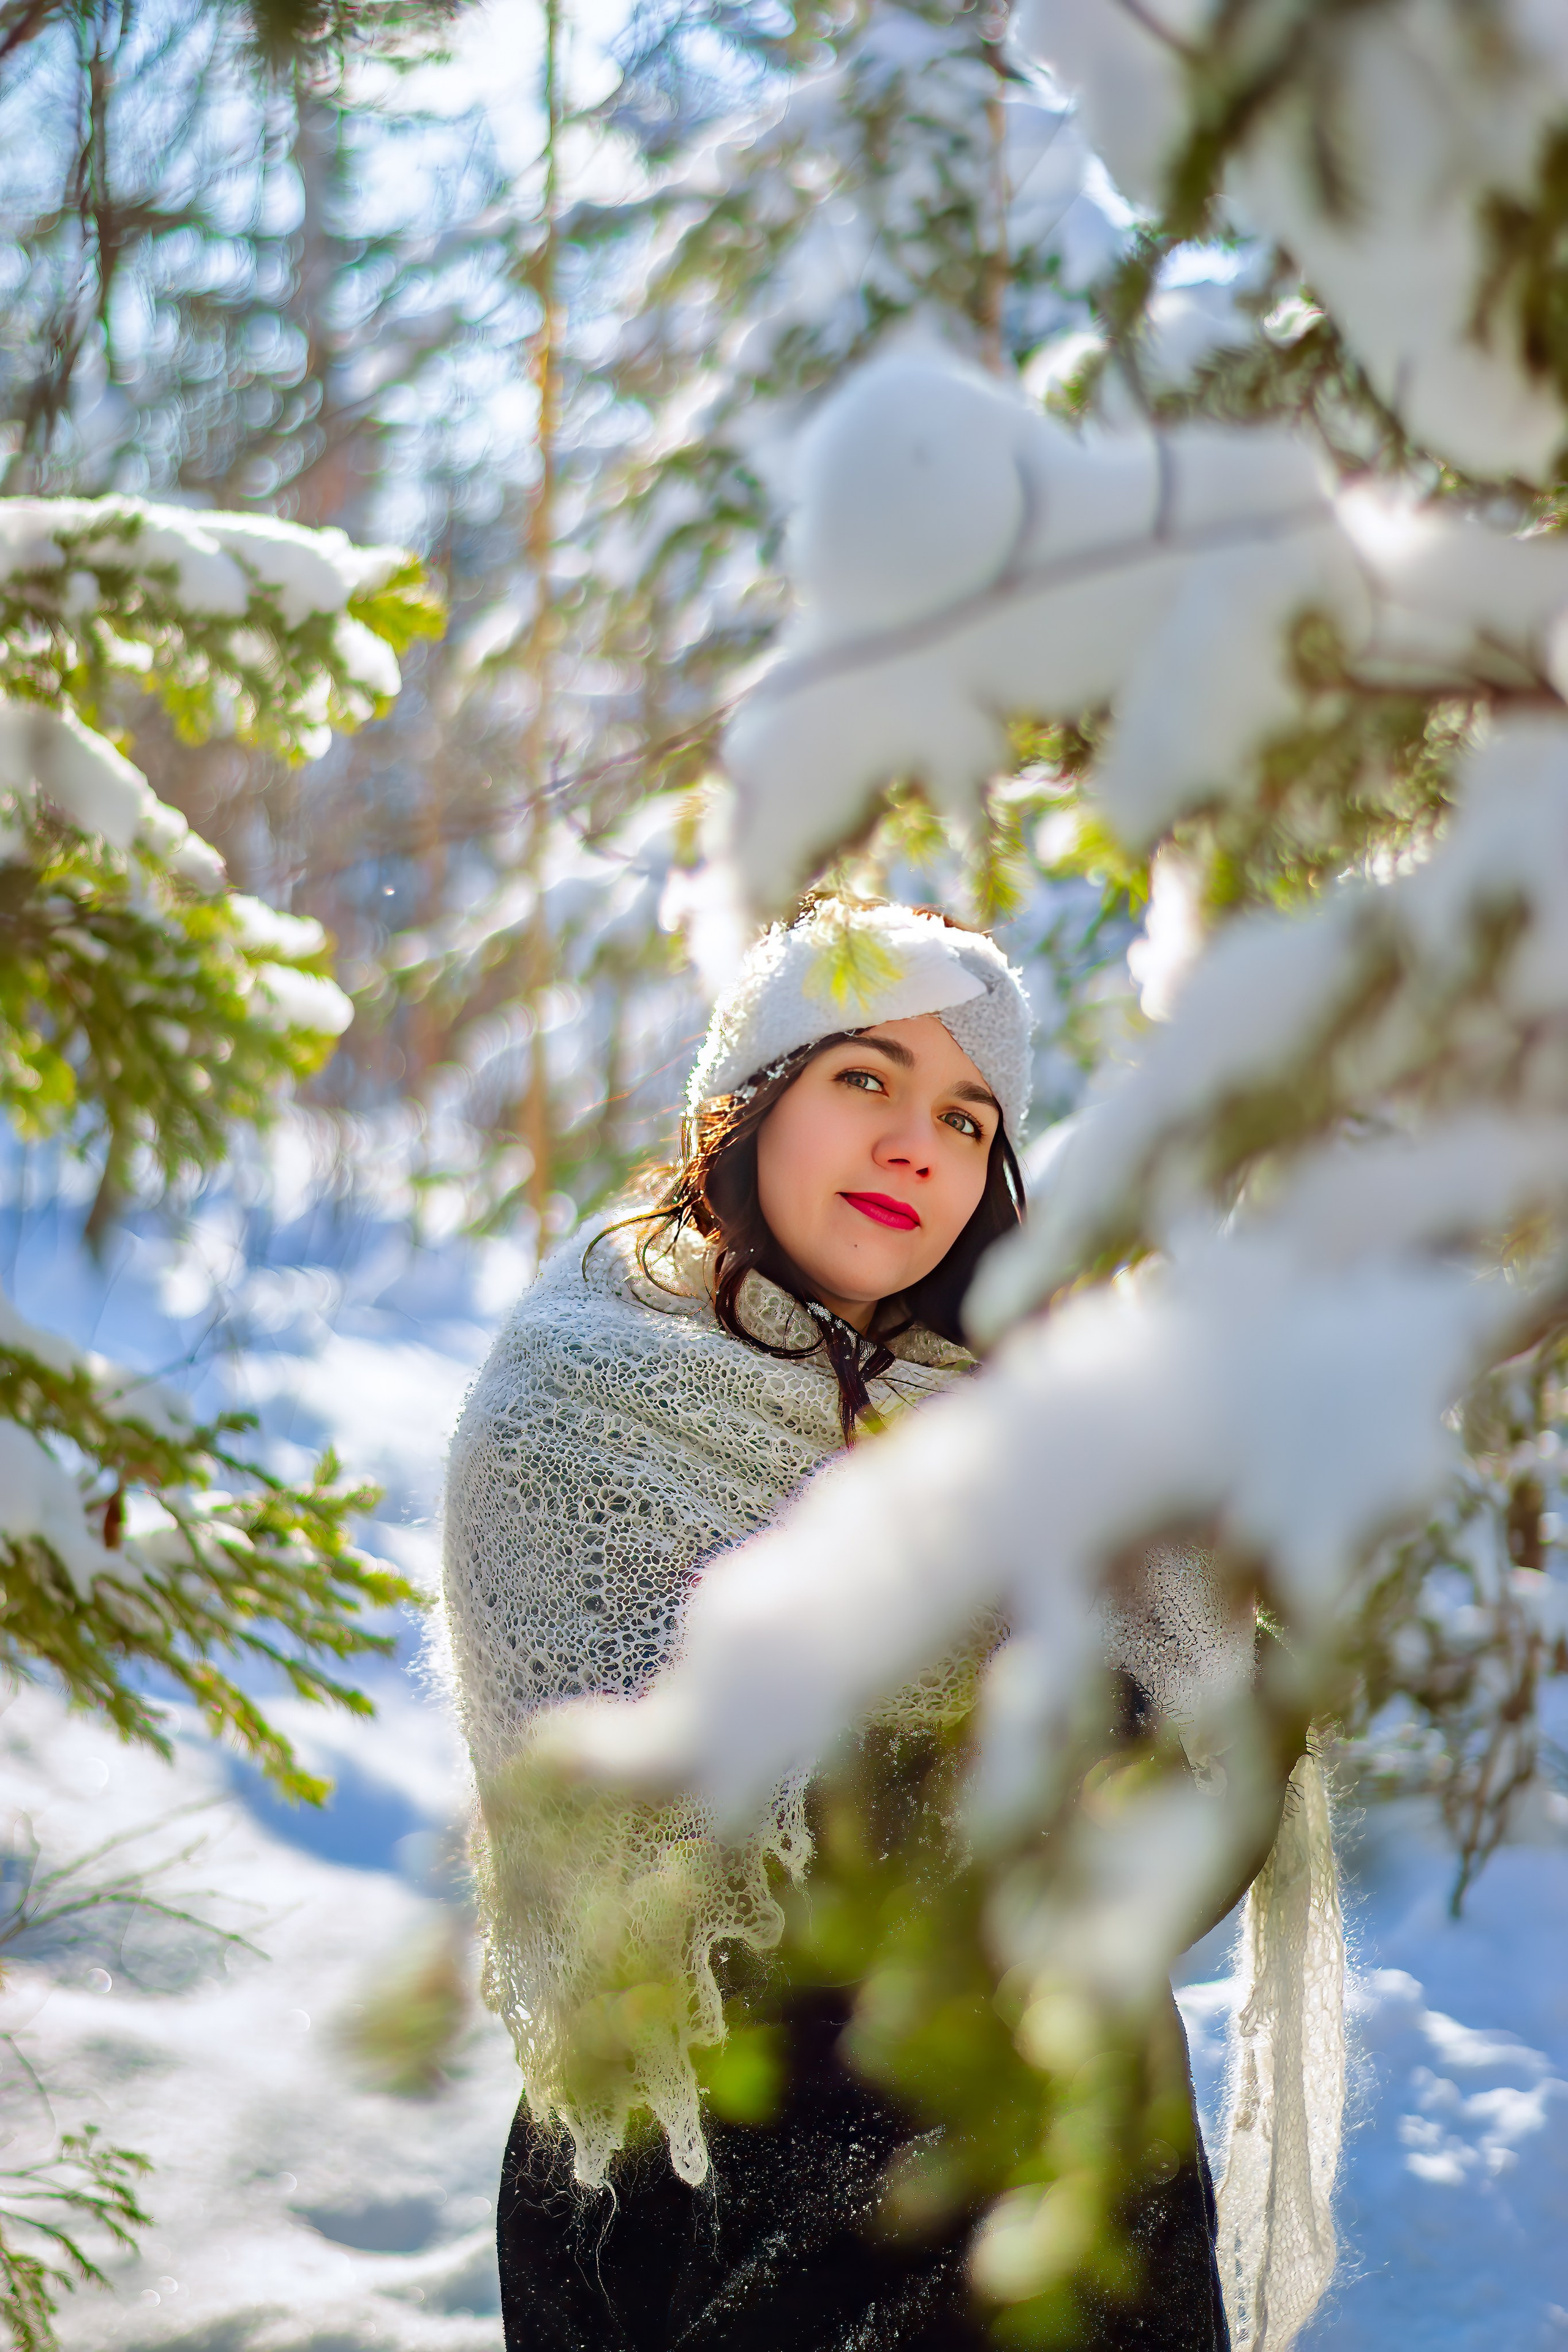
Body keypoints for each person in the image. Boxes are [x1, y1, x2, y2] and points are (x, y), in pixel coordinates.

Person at [440, 898, 1341, 2352]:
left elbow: (1172, 1849)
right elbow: (713, 1886)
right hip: (727, 2209)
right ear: (745, 1105)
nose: (920, 1143)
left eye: (968, 1117)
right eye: (863, 1076)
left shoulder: (1045, 1418)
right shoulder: (578, 1414)